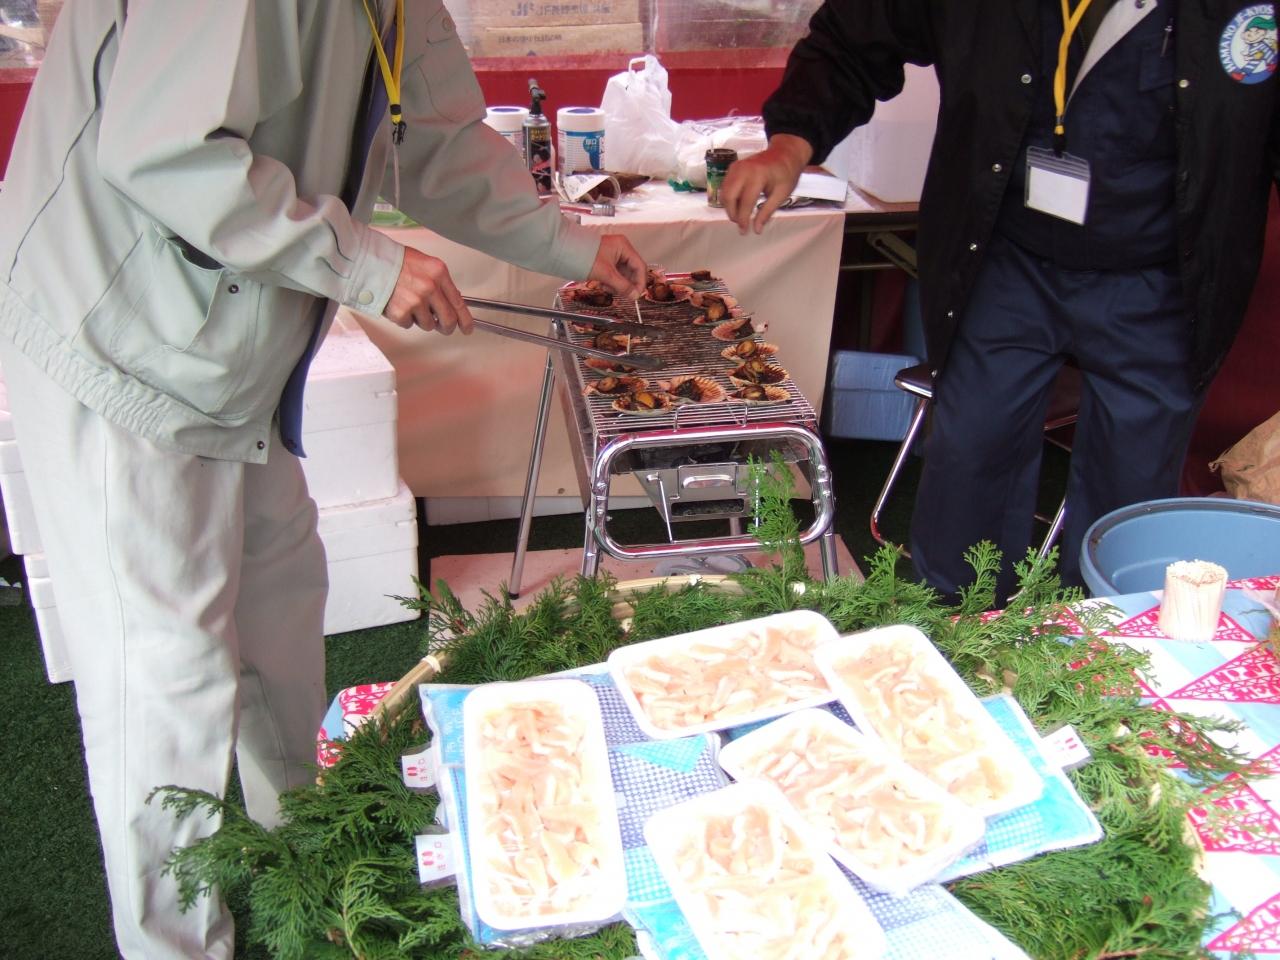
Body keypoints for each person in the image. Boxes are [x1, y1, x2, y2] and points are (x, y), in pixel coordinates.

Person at [0, 2, 645, 957]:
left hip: (234, 339)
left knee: (280, 599)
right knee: (164, 675)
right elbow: (163, 150)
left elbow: (437, 145)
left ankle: (302, 857)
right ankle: (175, 942)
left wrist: (571, 244)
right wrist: (364, 262)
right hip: (119, 337)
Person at [722, 0, 1280, 601]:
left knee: (1130, 492)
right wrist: (793, 141)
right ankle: (957, 626)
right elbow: (853, 35)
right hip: (1004, 259)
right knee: (971, 460)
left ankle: (1107, 640)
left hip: (1162, 280)